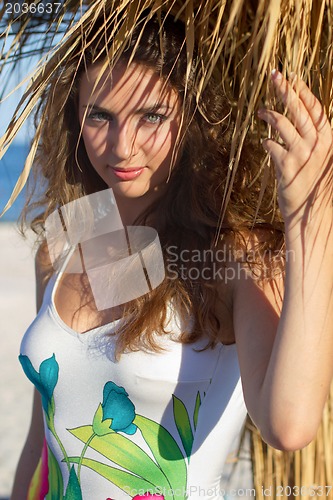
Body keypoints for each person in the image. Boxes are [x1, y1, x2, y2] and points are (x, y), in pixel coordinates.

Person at [8, 8, 333, 500]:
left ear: (193, 115)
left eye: (151, 116)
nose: (122, 146)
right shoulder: (71, 235)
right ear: (74, 113)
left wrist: (311, 219)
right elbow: (42, 441)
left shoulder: (233, 255)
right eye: (100, 115)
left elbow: (288, 425)